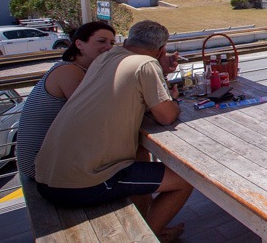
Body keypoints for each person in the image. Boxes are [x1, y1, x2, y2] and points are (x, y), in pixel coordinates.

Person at [34, 21, 193, 241]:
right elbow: (166, 116)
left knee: (140, 158)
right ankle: (149, 237)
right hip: (81, 182)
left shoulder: (106, 57)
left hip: (46, 175)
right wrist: (173, 101)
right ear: (161, 49)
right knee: (185, 180)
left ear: (127, 41)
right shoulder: (146, 64)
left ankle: (149, 225)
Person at [16, 21, 116, 179]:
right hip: (40, 166)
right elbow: (95, 114)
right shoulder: (69, 71)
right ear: (79, 44)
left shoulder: (79, 69)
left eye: (112, 43)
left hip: (50, 158)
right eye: (101, 41)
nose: (109, 47)